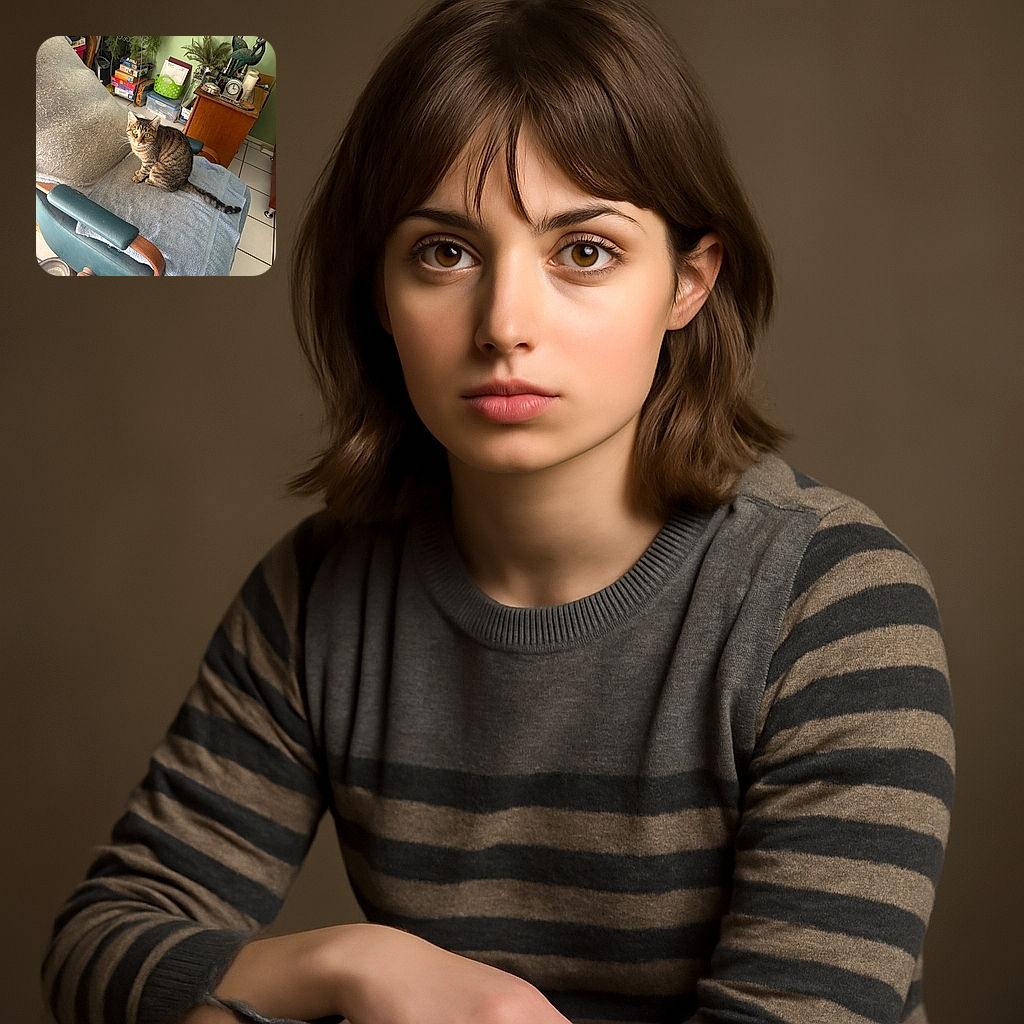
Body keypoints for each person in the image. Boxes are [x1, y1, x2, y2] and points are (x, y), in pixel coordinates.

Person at [43, 2, 954, 1023]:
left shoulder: (830, 604)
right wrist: (361, 966)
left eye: (585, 251)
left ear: (688, 283)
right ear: (380, 293)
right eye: (443, 252)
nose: (505, 326)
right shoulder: (321, 594)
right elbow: (102, 940)